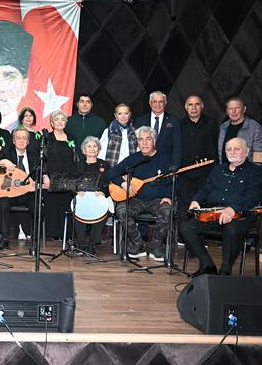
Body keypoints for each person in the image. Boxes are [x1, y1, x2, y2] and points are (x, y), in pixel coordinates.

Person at [180, 138, 262, 276]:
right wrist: (196, 200)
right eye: (229, 149)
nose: (232, 152)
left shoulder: (255, 172)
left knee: (231, 230)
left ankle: (225, 270)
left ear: (247, 151)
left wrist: (233, 208)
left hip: (241, 216)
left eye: (237, 149)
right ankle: (207, 264)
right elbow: (206, 189)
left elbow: (253, 197)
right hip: (214, 214)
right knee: (186, 227)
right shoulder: (218, 170)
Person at [106, 126, 172, 261]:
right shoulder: (134, 159)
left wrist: (168, 196)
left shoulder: (165, 159)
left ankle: (156, 246)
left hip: (157, 200)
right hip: (136, 199)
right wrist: (123, 184)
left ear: (154, 141)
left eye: (148, 139)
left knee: (167, 211)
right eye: (141, 140)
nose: (144, 143)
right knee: (121, 210)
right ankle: (138, 245)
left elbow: (172, 181)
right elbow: (111, 173)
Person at [0, 128, 39, 250]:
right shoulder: (7, 152)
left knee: (38, 207)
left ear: (28, 142)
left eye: (24, 138)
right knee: (3, 203)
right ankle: (4, 239)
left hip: (28, 193)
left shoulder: (35, 155)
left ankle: (35, 239)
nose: (21, 141)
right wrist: (2, 161)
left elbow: (40, 175)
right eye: (18, 138)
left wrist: (35, 184)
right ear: (13, 141)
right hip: (10, 193)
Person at [179, 95, 218, 222]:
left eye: (197, 104)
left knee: (204, 205)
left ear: (202, 106)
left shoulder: (211, 124)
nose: (193, 108)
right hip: (185, 175)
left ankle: (202, 233)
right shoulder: (179, 124)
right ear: (186, 108)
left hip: (206, 174)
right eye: (190, 105)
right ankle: (183, 233)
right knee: (185, 206)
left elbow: (216, 148)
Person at [41, 110, 79, 240]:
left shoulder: (72, 138)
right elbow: (43, 159)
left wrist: (75, 178)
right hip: (52, 176)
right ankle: (54, 233)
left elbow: (76, 159)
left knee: (66, 205)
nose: (60, 122)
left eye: (62, 119)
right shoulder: (47, 138)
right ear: (51, 123)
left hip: (68, 177)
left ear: (66, 122)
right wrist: (45, 176)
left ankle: (66, 234)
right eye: (56, 119)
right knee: (53, 205)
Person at [72, 136, 110, 253]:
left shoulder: (104, 165)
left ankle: (92, 244)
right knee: (77, 208)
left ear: (98, 150)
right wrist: (77, 191)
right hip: (82, 196)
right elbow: (72, 182)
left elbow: (110, 183)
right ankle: (81, 244)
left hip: (98, 197)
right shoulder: (78, 165)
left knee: (102, 210)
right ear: (84, 150)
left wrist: (103, 192)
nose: (92, 149)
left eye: (95, 146)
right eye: (89, 146)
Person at [135, 91, 181, 167]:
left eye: (161, 102)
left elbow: (177, 145)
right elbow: (137, 145)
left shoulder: (174, 121)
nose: (157, 104)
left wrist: (175, 165)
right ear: (150, 103)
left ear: (165, 103)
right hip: (145, 164)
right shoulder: (140, 121)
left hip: (166, 165)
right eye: (155, 102)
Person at [218, 97, 262, 163]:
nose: (233, 111)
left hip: (247, 169)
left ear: (244, 109)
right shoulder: (223, 127)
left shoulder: (255, 127)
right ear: (227, 111)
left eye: (237, 108)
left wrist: (253, 170)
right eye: (231, 108)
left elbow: (260, 155)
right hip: (225, 168)